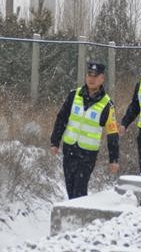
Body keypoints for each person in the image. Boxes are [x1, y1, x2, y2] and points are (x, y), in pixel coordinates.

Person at [50, 62, 120, 199]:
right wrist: (55, 142)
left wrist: (114, 159)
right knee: (70, 189)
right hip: (70, 149)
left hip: (87, 154)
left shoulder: (107, 104)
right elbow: (61, 118)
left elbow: (112, 133)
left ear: (102, 79)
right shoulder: (74, 95)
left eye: (96, 76)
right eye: (89, 75)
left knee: (79, 190)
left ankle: (80, 218)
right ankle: (73, 217)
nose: (91, 79)